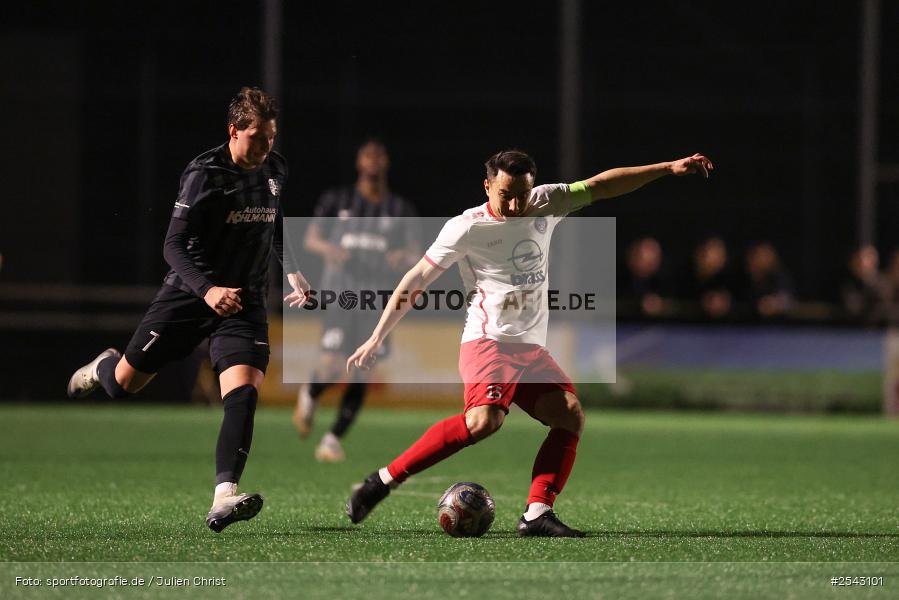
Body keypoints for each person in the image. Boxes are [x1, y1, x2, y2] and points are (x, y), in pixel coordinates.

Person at [344, 149, 713, 537]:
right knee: (484, 421)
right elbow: (417, 278)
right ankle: (382, 481)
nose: (515, 205)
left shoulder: (547, 201)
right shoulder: (465, 228)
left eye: (522, 194)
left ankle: (537, 513)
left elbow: (603, 185)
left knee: (569, 415)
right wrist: (376, 336)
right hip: (488, 342)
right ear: (487, 187)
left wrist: (666, 168)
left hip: (531, 350)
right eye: (506, 195)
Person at [66, 87, 310, 533]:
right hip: (189, 294)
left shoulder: (275, 168)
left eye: (271, 137)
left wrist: (292, 271)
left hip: (244, 301)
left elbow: (274, 224)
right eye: (257, 138)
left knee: (243, 394)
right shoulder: (204, 174)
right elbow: (172, 245)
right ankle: (103, 366)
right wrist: (208, 290)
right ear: (233, 130)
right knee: (123, 386)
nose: (265, 146)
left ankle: (224, 495)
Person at [292, 139, 420, 462]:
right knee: (333, 364)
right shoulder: (338, 200)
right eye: (368, 156)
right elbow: (311, 239)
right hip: (342, 296)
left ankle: (332, 439)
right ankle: (311, 392)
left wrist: (403, 257)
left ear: (386, 162)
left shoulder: (400, 209)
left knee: (363, 370)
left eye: (379, 156)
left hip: (378, 303)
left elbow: (416, 254)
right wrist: (329, 249)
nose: (373, 161)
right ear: (359, 162)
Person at [743, 242, 795, 318]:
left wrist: (775, 303)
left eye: (766, 256)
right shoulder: (741, 277)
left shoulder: (778, 276)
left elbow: (789, 299)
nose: (763, 260)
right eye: (760, 256)